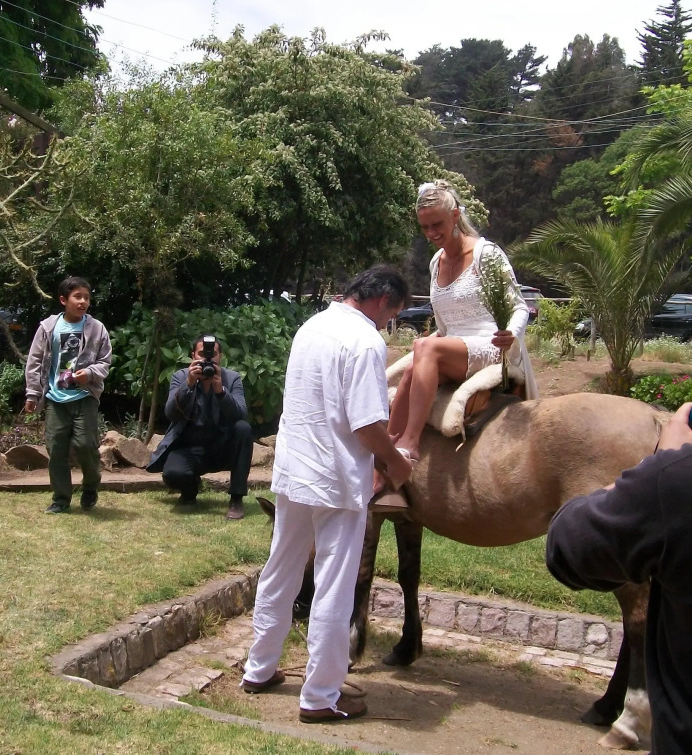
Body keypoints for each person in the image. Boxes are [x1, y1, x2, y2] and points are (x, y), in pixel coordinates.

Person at [241, 266, 414, 723]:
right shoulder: (365, 341)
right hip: (336, 479)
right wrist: (396, 464)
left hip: (296, 470)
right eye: (392, 314)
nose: (388, 324)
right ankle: (320, 696)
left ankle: (259, 668)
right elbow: (367, 424)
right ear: (381, 301)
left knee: (281, 569)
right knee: (334, 587)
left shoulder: (311, 326)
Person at [546, 402, 692, 755]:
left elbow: (566, 549)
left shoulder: (677, 484)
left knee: (423, 364)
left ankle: (404, 455)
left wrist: (657, 470)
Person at [387, 179, 537, 462]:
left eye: (437, 225)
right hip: (452, 347)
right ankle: (386, 457)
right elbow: (444, 328)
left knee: (425, 348)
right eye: (425, 227)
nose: (431, 233)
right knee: (410, 372)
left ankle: (410, 442)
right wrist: (425, 345)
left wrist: (511, 334)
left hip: (490, 345)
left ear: (455, 215)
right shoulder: (436, 262)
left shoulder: (486, 254)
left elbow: (519, 306)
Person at [24, 276, 112, 514]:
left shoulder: (96, 328)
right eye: (77, 297)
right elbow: (34, 363)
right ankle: (61, 499)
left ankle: (91, 485)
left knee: (86, 445)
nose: (83, 302)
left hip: (85, 397)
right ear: (64, 300)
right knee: (56, 450)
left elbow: (105, 361)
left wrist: (91, 373)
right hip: (55, 399)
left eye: (87, 297)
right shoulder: (48, 328)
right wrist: (33, 394)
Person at [146, 336, 253, 520]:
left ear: (221, 357)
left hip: (222, 448)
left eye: (213, 355)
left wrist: (221, 392)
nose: (208, 360)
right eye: (203, 354)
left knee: (243, 429)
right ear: (193, 355)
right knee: (172, 474)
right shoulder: (181, 376)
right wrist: (188, 384)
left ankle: (236, 499)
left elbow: (242, 414)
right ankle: (190, 490)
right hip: (190, 448)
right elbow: (170, 413)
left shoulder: (232, 378)